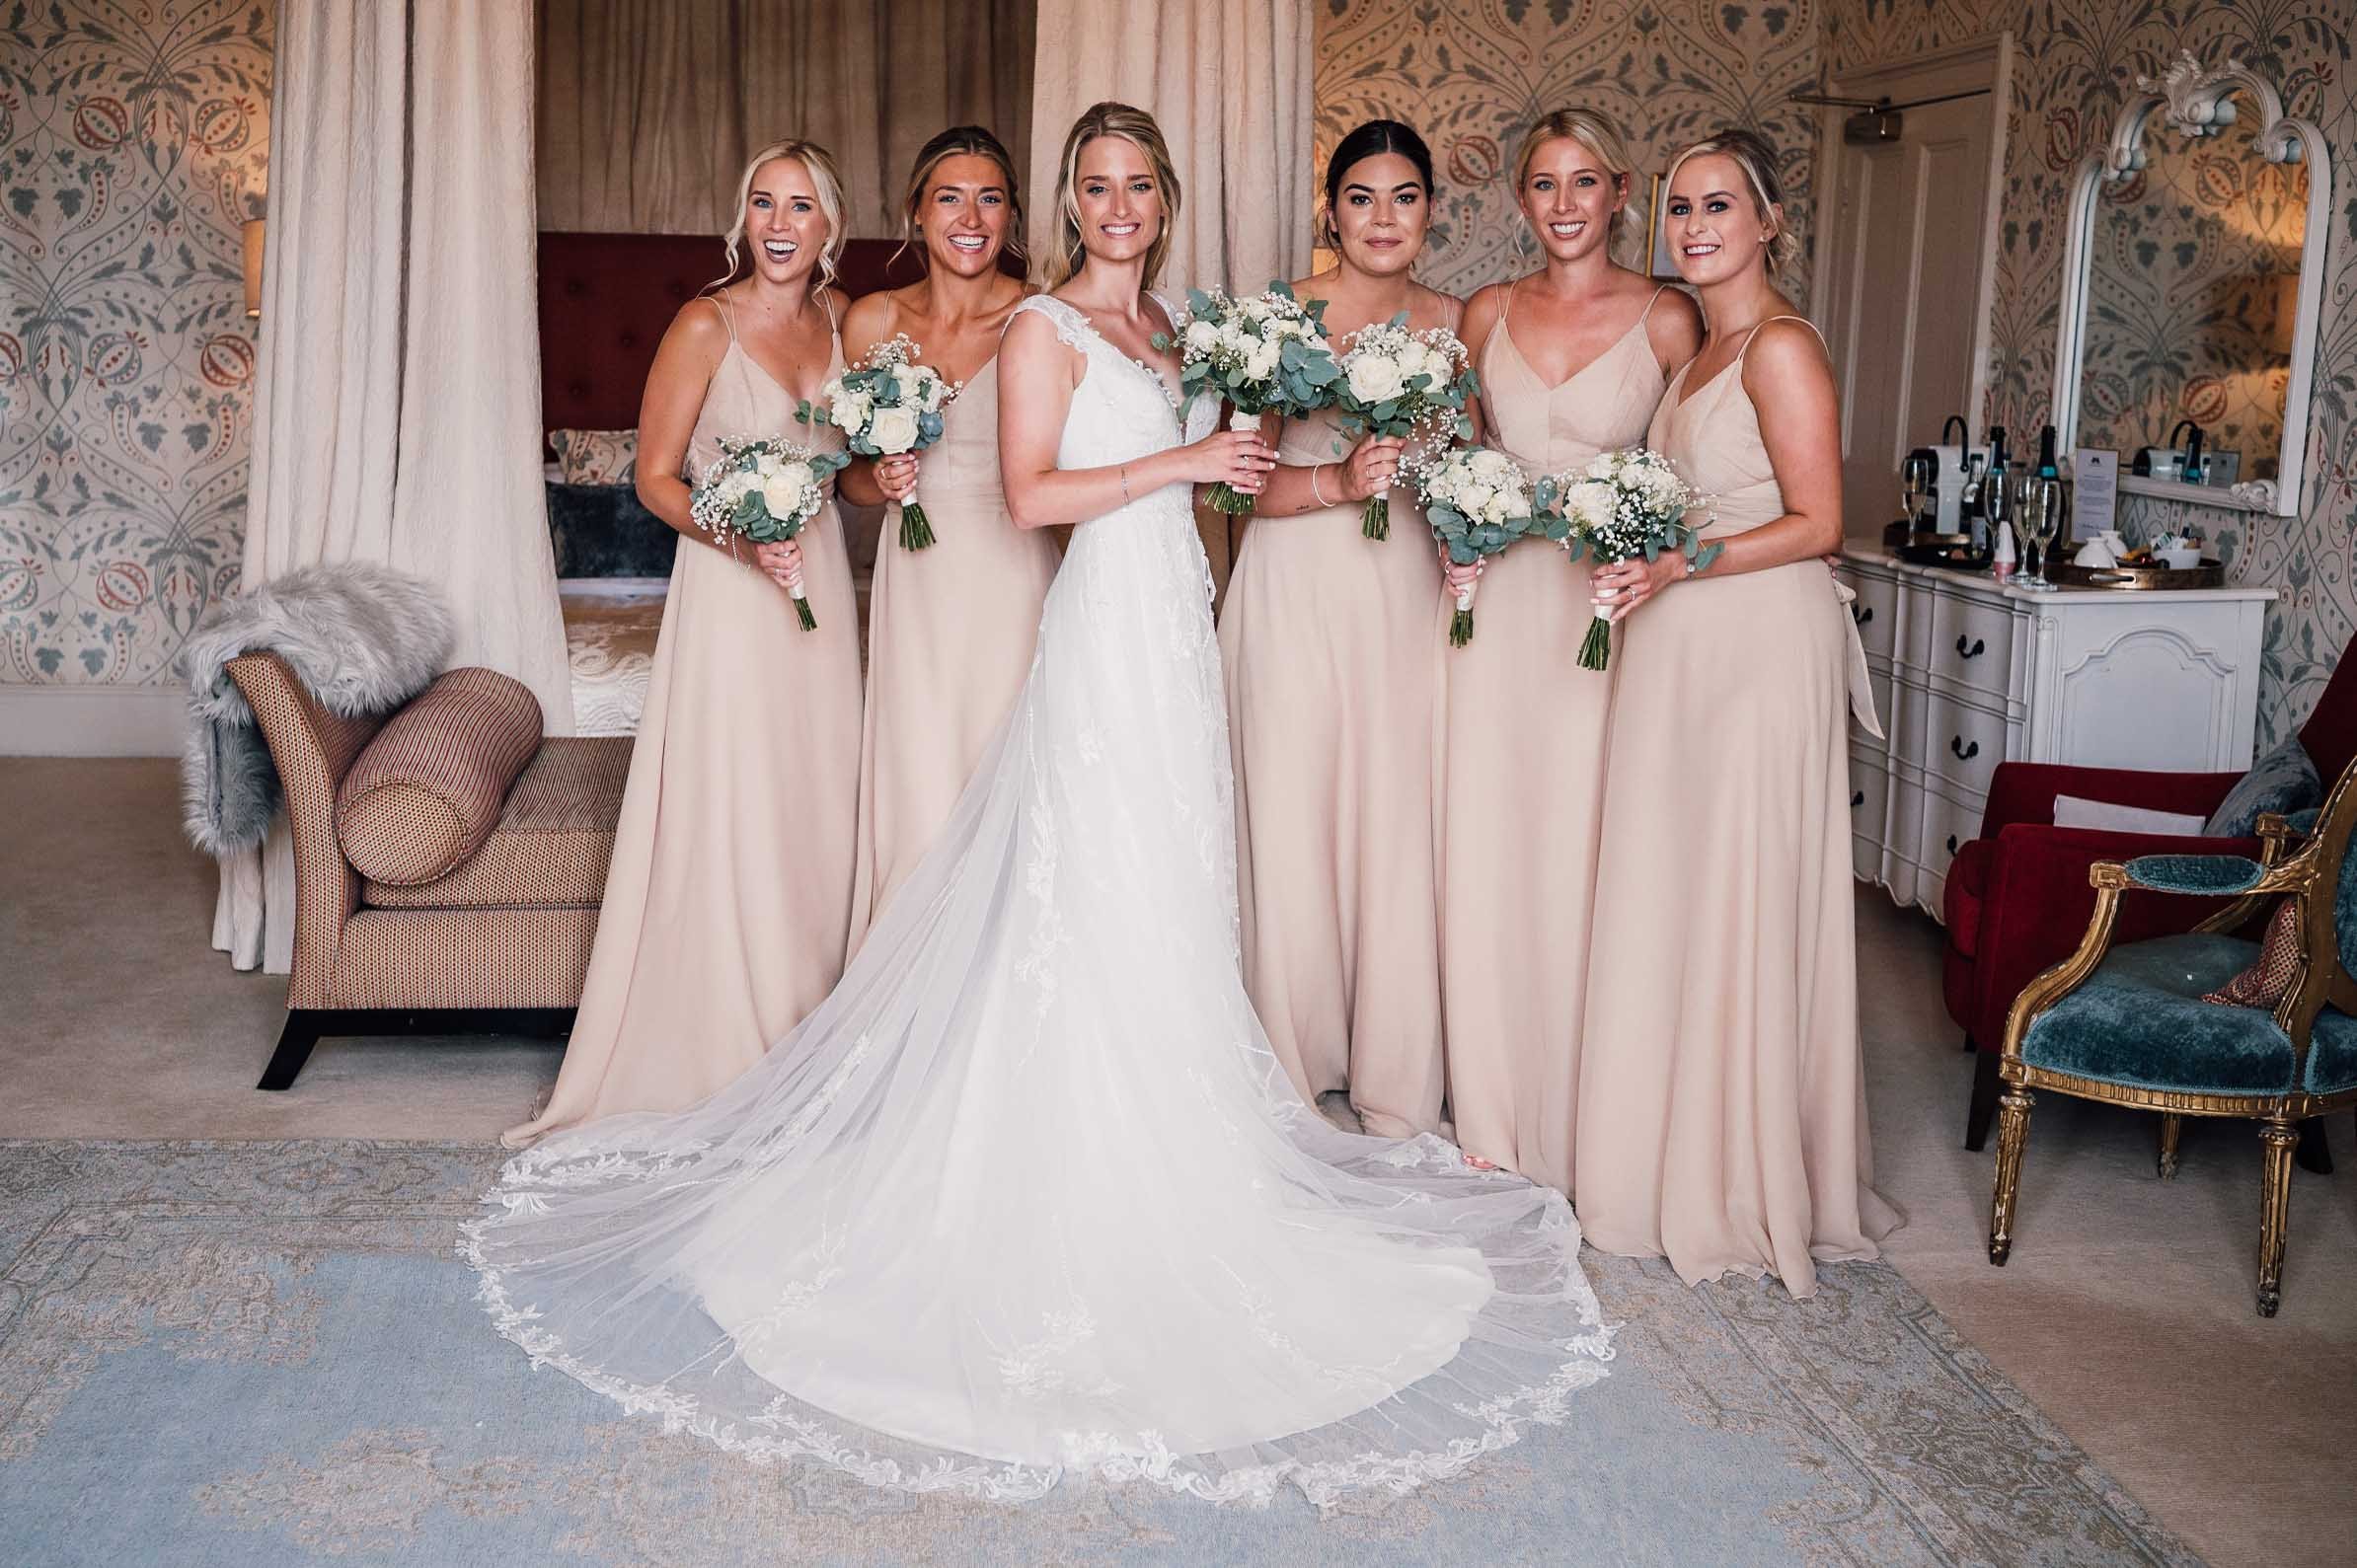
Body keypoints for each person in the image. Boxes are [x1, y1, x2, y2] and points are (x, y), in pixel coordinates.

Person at [465, 102, 1612, 1508]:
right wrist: (1185, 466)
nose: (1118, 204)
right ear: (1070, 204)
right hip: (1098, 627)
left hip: (1179, 629)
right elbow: (1030, 490)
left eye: (1138, 183)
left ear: (1163, 195)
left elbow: (1250, 483)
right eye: (1097, 185)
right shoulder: (1043, 330)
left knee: (1168, 884)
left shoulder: (1190, 333)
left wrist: (1343, 473)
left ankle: (1182, 1146)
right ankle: (1048, 1153)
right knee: (1087, 873)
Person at [1574, 128, 1900, 1296]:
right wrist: (1638, 555)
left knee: (1745, 885)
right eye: (1677, 207)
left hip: (1761, 641)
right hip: (1688, 636)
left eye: (1718, 206)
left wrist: (1680, 564)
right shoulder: (1696, 352)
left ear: (1769, 222)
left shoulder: (1782, 348)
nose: (1693, 225)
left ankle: (1747, 1167)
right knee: (1681, 879)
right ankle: (1675, 1144)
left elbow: (1818, 522)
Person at [504, 140, 862, 1146]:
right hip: (733, 583)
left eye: (801, 206)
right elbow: (656, 477)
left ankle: (807, 1019)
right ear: (742, 218)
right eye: (763, 203)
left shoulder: (842, 326)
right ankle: (722, 1035)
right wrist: (743, 539)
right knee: (738, 790)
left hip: (822, 580)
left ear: (831, 225)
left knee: (816, 790)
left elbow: (854, 465)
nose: (781, 225)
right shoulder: (703, 322)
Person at [1436, 109, 1702, 1190]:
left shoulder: (1669, 318)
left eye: (1583, 182)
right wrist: (1453, 541)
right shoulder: (1484, 311)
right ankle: (1492, 1099)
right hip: (1497, 613)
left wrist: (1662, 553)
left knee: (1590, 847)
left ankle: (1590, 1093)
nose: (1562, 204)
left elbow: (1698, 477)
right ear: (1520, 199)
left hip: (1603, 616)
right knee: (1491, 842)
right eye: (1542, 184)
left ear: (1620, 190)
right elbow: (1449, 458)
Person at [1216, 118, 1454, 1139]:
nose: (1383, 217)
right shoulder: (1280, 316)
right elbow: (1232, 489)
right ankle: (1288, 1047)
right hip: (1295, 587)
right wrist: (1336, 479)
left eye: (1405, 197)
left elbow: (1469, 474)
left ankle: (1390, 1056)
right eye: (1362, 197)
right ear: (1332, 211)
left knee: (1392, 810)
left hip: (1404, 592)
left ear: (1431, 211)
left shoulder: (1458, 320)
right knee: (1294, 801)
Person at [839, 125, 1057, 944]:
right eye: (950, 197)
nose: (971, 216)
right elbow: (849, 482)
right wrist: (883, 479)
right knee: (921, 778)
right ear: (916, 213)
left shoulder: (1044, 316)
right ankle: (909, 978)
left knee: (1010, 771)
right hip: (918, 583)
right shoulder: (872, 321)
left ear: (1012, 217)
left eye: (991, 198)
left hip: (1013, 574)